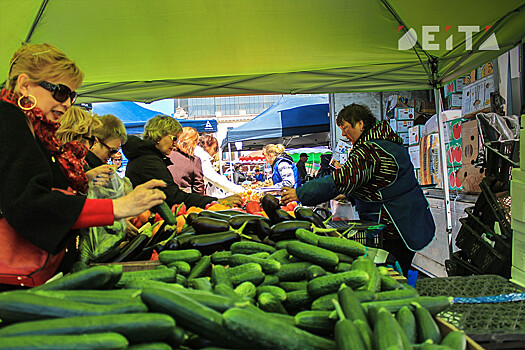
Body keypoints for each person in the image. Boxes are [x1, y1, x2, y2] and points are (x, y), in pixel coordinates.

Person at [0, 43, 166, 287]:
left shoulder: (34, 127)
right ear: (25, 85)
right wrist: (116, 207)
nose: (67, 103)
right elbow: (27, 200)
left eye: (72, 95)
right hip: (13, 280)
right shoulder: (9, 120)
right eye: (60, 92)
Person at [281, 103, 435, 275]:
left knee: (393, 271)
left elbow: (342, 178)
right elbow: (375, 180)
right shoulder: (384, 142)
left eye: (345, 128)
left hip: (396, 222)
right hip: (408, 216)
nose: (344, 135)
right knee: (397, 268)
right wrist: (350, 194)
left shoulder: (371, 149)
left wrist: (300, 193)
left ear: (361, 124)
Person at [123, 115, 241, 208]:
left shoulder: (146, 156)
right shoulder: (149, 160)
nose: (175, 144)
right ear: (159, 136)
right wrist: (217, 201)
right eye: (174, 138)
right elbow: (173, 196)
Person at [56, 106, 114, 188]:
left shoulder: (49, 157)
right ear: (77, 138)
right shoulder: (70, 166)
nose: (90, 146)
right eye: (91, 140)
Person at [168, 127, 204, 194]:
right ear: (194, 142)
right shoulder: (194, 161)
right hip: (180, 199)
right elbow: (198, 188)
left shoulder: (166, 154)